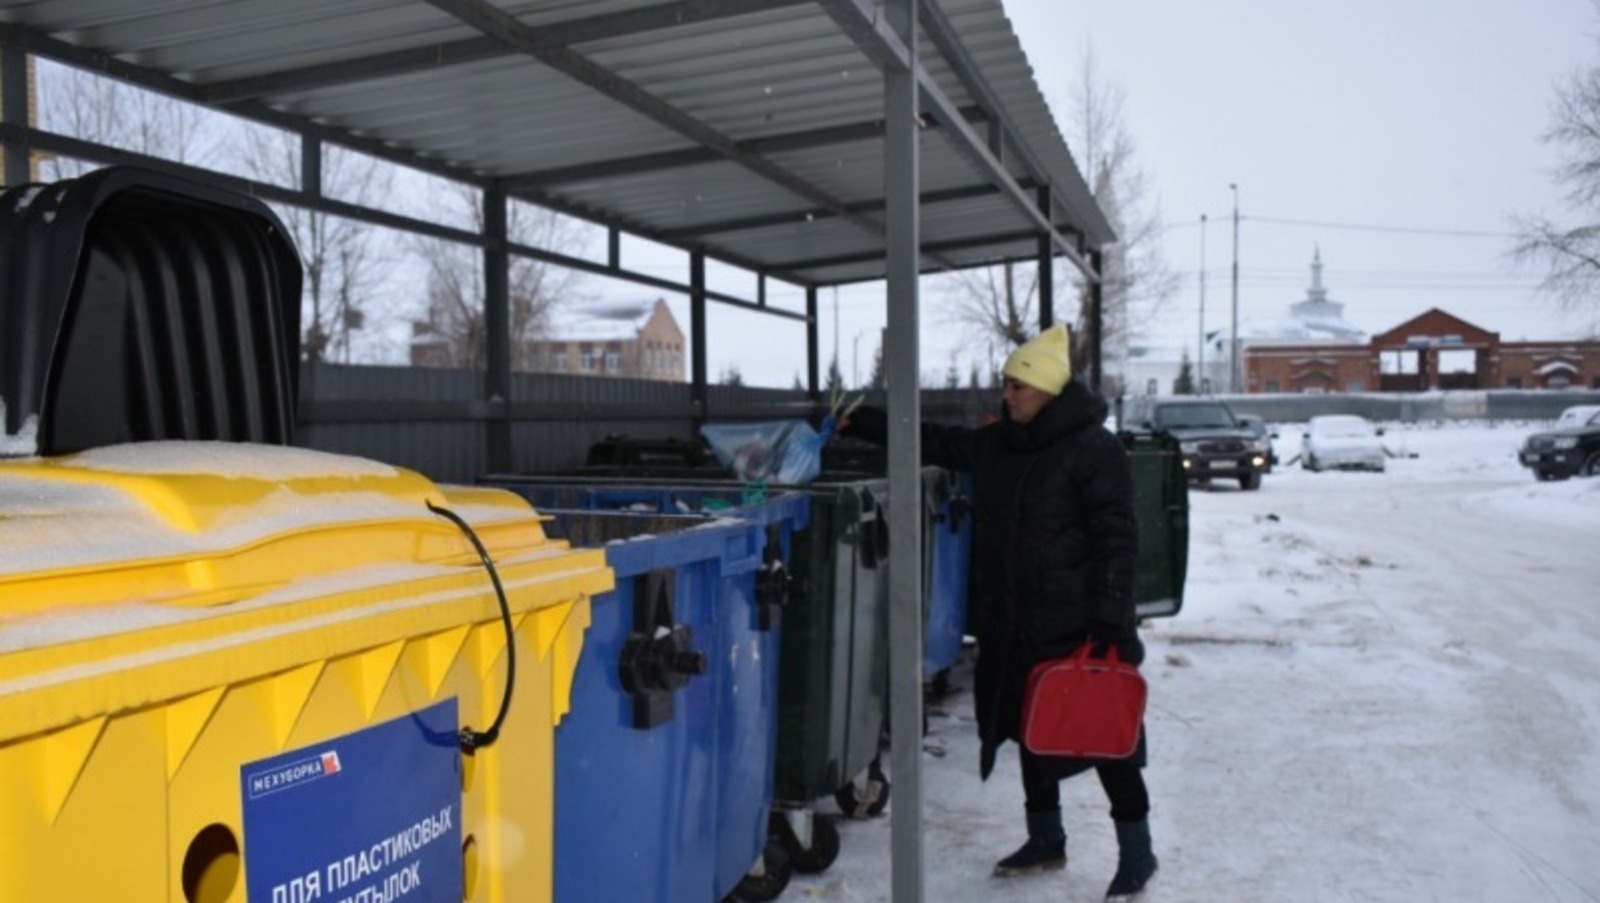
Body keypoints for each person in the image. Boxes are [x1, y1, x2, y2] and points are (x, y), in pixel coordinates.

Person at [839, 324, 1157, 900]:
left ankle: (1138, 853)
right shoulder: (1001, 444)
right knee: (1028, 730)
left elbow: (1117, 537)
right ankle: (1046, 839)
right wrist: (865, 424)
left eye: (1018, 386)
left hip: (1081, 625)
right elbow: (935, 442)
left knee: (1105, 741)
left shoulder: (1094, 449)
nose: (1006, 396)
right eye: (1006, 385)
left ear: (1050, 389)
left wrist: (1110, 619)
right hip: (1014, 621)